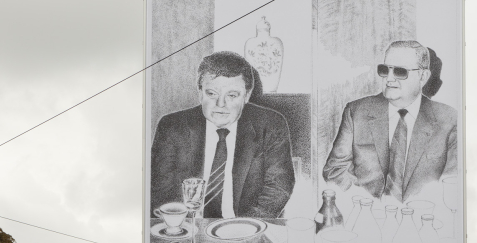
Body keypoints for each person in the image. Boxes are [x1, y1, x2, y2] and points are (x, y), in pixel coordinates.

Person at [150, 51, 295, 219]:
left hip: (246, 227)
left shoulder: (271, 125)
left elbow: (279, 188)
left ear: (246, 96)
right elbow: (160, 190)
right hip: (187, 229)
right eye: (212, 94)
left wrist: (242, 229)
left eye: (232, 95)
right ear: (200, 92)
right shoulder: (172, 126)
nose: (220, 104)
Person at [322, 40, 458, 203]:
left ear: (423, 77)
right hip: (365, 216)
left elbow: (452, 182)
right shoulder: (357, 112)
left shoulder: (448, 120)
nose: (389, 79)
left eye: (400, 72)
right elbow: (334, 170)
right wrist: (365, 205)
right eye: (384, 70)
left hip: (422, 217)